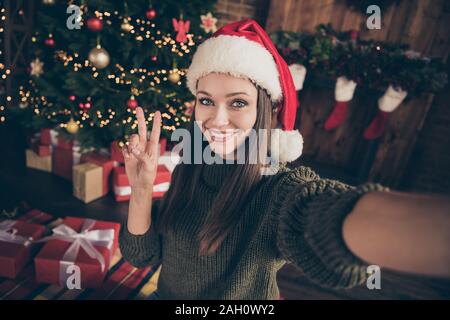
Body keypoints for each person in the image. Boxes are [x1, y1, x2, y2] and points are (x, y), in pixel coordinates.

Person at [119, 19, 450, 300]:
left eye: (237, 103)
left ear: (267, 111)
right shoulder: (189, 168)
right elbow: (142, 255)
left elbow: (326, 215)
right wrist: (142, 188)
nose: (217, 120)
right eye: (207, 100)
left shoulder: (277, 190)